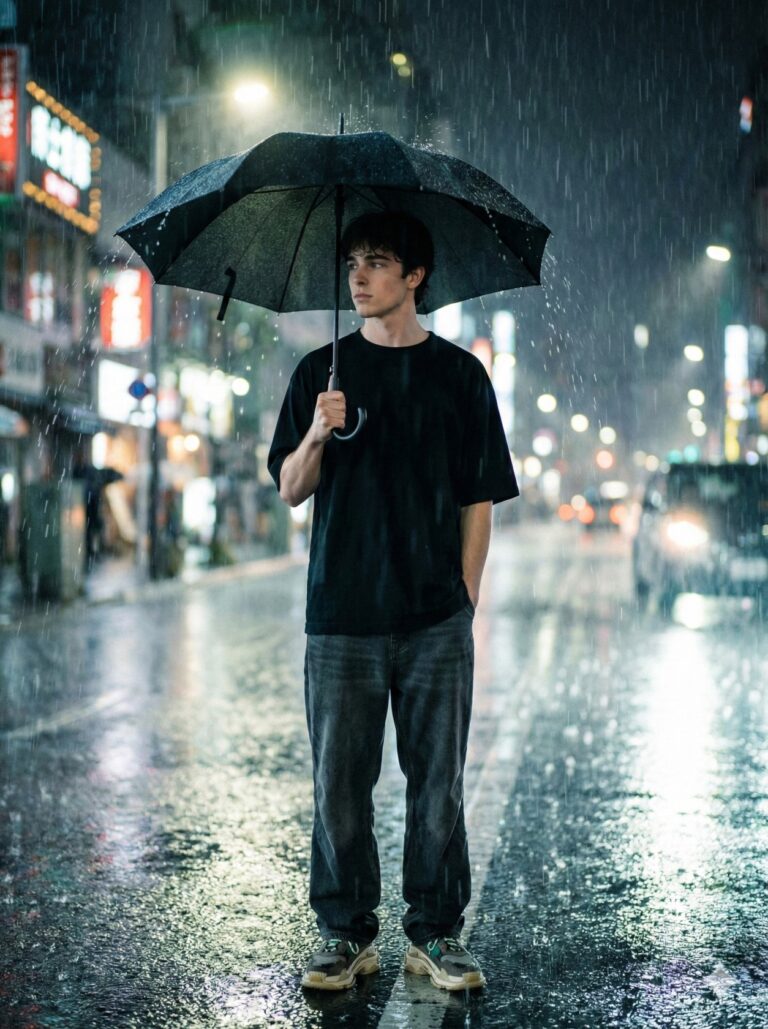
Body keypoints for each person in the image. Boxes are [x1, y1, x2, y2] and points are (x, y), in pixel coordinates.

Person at [267, 210, 519, 993]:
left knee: (435, 781)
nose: (359, 276)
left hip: (433, 618)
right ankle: (345, 934)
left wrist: (464, 598)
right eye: (353, 262)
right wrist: (316, 432)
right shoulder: (321, 372)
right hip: (341, 616)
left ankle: (435, 933)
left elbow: (478, 499)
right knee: (338, 782)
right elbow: (289, 488)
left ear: (415, 276)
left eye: (378, 262)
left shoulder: (461, 375)